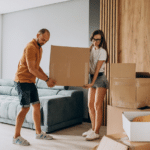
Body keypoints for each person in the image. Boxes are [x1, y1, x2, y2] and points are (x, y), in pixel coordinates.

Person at [13, 28, 56, 146]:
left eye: (46, 41)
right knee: (25, 108)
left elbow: (36, 67)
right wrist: (46, 80)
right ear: (38, 35)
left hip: (30, 81)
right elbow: (32, 69)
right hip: (22, 81)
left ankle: (38, 133)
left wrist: (47, 77)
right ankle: (16, 137)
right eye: (43, 39)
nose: (44, 42)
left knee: (36, 105)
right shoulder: (31, 47)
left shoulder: (39, 48)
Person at [82, 29, 109, 141]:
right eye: (94, 39)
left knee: (98, 105)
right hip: (91, 77)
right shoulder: (90, 49)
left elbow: (97, 68)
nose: (95, 42)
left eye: (98, 39)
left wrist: (92, 83)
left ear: (101, 40)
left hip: (100, 78)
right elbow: (84, 64)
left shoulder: (103, 51)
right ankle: (93, 129)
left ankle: (97, 132)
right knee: (90, 104)